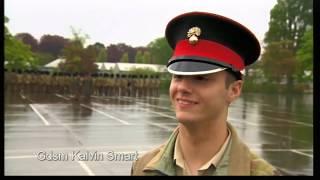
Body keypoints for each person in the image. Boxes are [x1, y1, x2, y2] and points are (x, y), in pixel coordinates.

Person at [131, 11, 283, 176]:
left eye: (200, 78)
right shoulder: (142, 168)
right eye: (178, 76)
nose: (182, 87)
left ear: (234, 90)